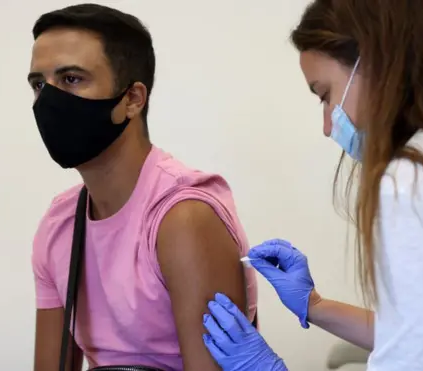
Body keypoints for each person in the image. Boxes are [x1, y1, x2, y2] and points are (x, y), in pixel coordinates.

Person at [202, 0, 423, 370]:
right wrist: (314, 306)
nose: (328, 126)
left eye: (325, 94)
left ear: (376, 62)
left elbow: (413, 360)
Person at [27, 4, 257, 371]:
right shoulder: (60, 225)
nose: (49, 100)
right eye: (40, 84)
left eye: (71, 79)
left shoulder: (183, 219)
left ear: (133, 99)